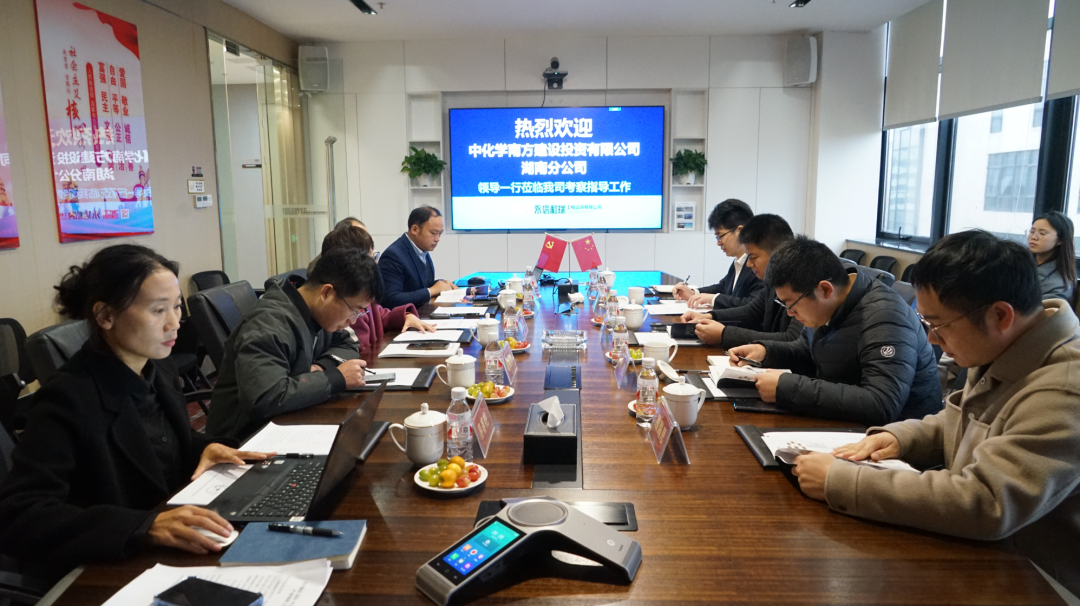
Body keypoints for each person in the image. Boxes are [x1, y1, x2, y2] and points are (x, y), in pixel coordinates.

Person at [791, 230, 1080, 598]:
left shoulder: (1064, 390)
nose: (931, 339)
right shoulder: (1005, 345)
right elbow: (960, 418)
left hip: (1041, 579)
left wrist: (845, 482)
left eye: (939, 325)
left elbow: (987, 502)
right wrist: (900, 437)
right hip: (984, 553)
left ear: (1000, 315)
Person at [0, 245, 274, 579]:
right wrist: (145, 526)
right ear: (105, 316)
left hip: (173, 543)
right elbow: (20, 515)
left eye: (177, 306)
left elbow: (160, 445)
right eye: (158, 310)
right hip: (107, 569)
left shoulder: (157, 370)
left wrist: (204, 447)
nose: (175, 323)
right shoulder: (67, 398)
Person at [728, 236, 941, 426]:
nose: (790, 313)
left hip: (897, 441)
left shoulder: (885, 317)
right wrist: (765, 352)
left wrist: (787, 388)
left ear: (824, 289)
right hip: (848, 426)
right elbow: (806, 351)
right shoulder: (828, 304)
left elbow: (881, 404)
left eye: (791, 304)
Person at [206, 247, 379, 441]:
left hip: (288, 421)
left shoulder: (316, 312)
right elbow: (264, 398)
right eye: (354, 310)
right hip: (243, 440)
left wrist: (321, 368)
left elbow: (348, 343)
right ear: (326, 293)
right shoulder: (269, 324)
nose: (353, 320)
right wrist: (335, 378)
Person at [681, 214, 803, 347]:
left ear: (777, 254)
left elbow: (792, 339)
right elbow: (751, 311)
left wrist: (724, 334)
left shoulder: (801, 282)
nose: (749, 264)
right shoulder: (773, 280)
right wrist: (709, 316)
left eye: (753, 257)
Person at [319, 224, 436, 352]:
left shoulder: (362, 291)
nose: (376, 263)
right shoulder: (344, 302)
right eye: (372, 258)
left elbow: (380, 314)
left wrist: (405, 316)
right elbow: (354, 351)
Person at [671, 199, 764, 309]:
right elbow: (722, 288)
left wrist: (713, 299)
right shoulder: (739, 261)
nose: (718, 243)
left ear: (740, 231)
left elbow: (752, 305)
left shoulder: (758, 264)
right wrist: (693, 293)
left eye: (721, 236)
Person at [379, 206, 456, 308]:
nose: (437, 239)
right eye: (433, 233)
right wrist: (431, 291)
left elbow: (418, 286)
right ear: (415, 229)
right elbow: (391, 299)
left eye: (440, 234)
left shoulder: (421, 249)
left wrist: (441, 284)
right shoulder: (393, 256)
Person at [1027, 211, 1076, 303]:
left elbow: (1041, 310)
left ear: (1060, 240)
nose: (1033, 237)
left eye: (1042, 233)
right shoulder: (1020, 261)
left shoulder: (1060, 284)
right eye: (1032, 231)